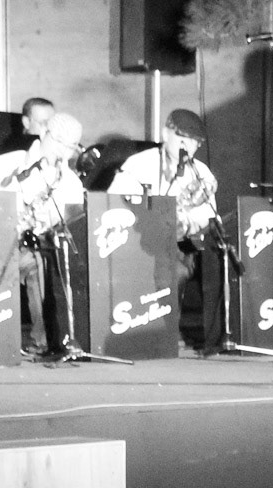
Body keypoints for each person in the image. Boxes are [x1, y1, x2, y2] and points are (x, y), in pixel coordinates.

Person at [0, 113, 87, 358]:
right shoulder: (7, 163)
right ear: (44, 133)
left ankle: (43, 341)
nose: (63, 152)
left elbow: (73, 223)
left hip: (34, 246)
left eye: (70, 147)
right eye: (58, 142)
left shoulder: (70, 181)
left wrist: (48, 222)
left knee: (44, 263)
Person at [110, 109, 220, 350]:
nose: (186, 147)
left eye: (194, 142)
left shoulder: (201, 173)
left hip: (179, 243)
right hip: (137, 238)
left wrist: (188, 223)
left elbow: (208, 214)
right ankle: (159, 331)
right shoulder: (138, 164)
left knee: (178, 268)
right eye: (181, 139)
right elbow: (114, 200)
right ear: (165, 134)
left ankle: (171, 331)